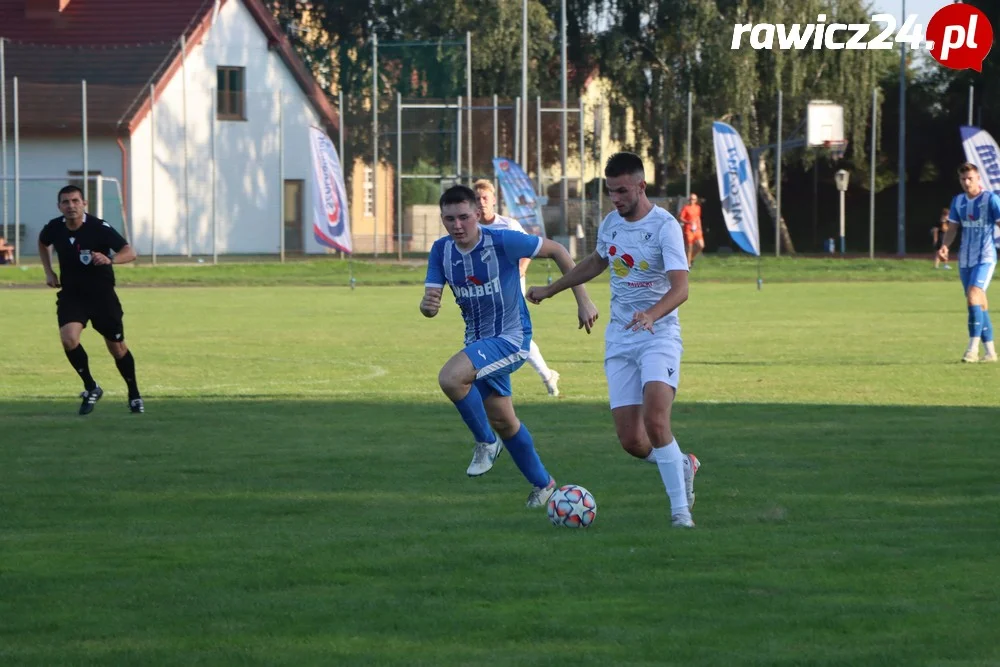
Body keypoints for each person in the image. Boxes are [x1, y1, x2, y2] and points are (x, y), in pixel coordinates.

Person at [527, 152, 701, 528]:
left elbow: (681, 288)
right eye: (611, 192)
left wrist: (652, 315)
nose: (616, 199)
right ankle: (681, 463)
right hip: (621, 339)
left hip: (659, 335)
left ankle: (680, 515)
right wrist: (552, 289)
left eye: (623, 191)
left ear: (641, 186)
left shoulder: (665, 227)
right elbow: (596, 261)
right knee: (633, 442)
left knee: (657, 423)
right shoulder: (611, 224)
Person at [421, 185, 598, 507]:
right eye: (449, 219)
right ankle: (543, 484)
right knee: (504, 420)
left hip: (511, 339)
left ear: (478, 214)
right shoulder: (441, 251)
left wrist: (582, 300)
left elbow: (558, 249)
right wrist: (428, 305)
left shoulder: (503, 240)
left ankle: (486, 442)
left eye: (463, 217)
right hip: (478, 342)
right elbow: (429, 304)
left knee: (451, 378)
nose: (457, 225)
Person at [38, 185, 145, 414]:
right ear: (59, 206)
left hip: (102, 297)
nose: (71, 206)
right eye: (65, 202)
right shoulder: (55, 227)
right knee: (69, 339)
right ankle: (91, 387)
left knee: (116, 348)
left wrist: (110, 259)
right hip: (72, 295)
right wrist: (48, 271)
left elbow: (130, 251)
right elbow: (42, 242)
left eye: (75, 201)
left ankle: (134, 393)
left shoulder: (99, 228)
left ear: (84, 203)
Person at [472, 178, 561, 397]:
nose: (481, 202)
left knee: (508, 335)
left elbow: (530, 246)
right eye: (477, 198)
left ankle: (495, 386)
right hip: (482, 294)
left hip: (509, 291)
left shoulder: (508, 225)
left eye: (485, 197)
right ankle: (546, 375)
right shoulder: (472, 228)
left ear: (494, 199)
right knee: (499, 336)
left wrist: (521, 267)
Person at [937, 163, 999, 363]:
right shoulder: (958, 201)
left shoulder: (991, 200)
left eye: (970, 178)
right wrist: (945, 246)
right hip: (965, 259)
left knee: (974, 295)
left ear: (978, 178)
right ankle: (990, 352)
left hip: (985, 257)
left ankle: (972, 349)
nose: (966, 182)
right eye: (963, 179)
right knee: (977, 302)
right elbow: (953, 229)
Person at [679, 193, 704, 268]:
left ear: (696, 200)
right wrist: (688, 222)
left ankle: (690, 259)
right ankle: (688, 264)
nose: (691, 200)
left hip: (697, 229)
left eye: (693, 199)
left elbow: (698, 218)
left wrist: (700, 228)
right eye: (690, 199)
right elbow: (680, 218)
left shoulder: (698, 208)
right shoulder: (685, 208)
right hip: (688, 229)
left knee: (701, 245)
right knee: (689, 247)